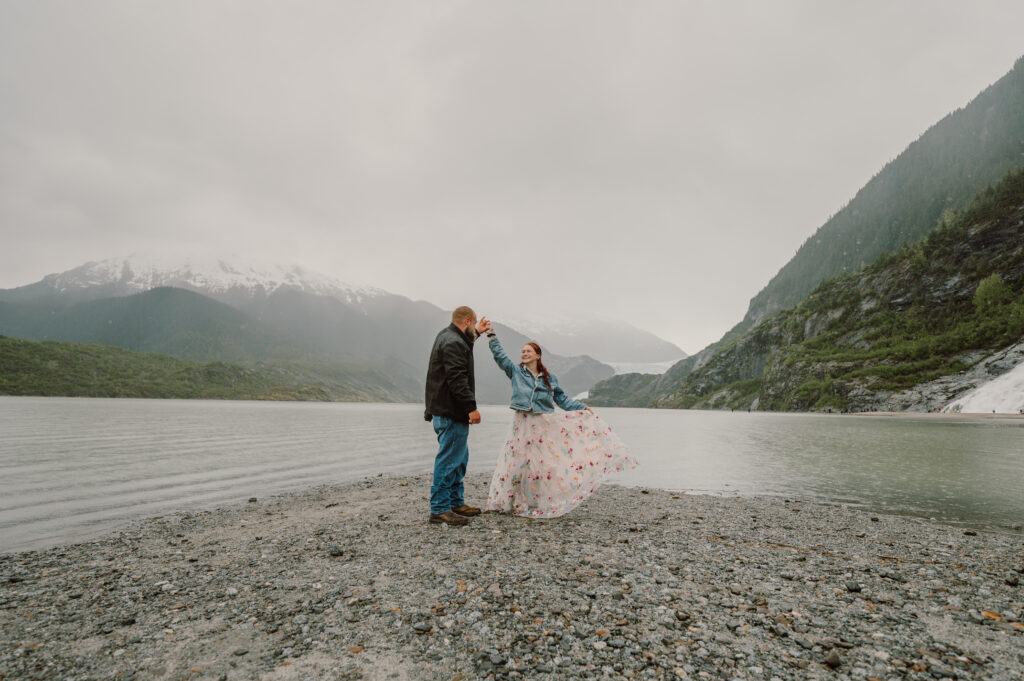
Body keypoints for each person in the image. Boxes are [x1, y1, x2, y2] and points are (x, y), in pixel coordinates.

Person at [480, 320, 638, 517]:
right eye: (523, 351)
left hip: (542, 425)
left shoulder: (549, 379)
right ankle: (510, 502)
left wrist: (582, 408)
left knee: (541, 465)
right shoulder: (516, 372)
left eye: (529, 351)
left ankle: (535, 502)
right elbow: (500, 357)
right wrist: (491, 336)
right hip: (521, 424)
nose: (524, 354)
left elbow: (562, 400)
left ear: (538, 355)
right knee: (516, 463)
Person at [424, 306, 488, 526]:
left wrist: (477, 333)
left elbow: (463, 349)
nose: (474, 327)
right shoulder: (453, 342)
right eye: (474, 324)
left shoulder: (450, 337)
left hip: (447, 410)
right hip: (451, 411)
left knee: (459, 459)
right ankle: (440, 509)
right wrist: (471, 407)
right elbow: (456, 378)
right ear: (467, 320)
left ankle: (454, 502)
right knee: (449, 460)